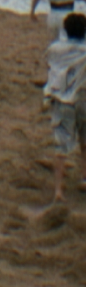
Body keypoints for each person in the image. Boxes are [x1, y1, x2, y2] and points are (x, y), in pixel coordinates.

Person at [43, 12, 86, 203]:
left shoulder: (55, 49)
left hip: (62, 100)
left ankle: (59, 190)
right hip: (83, 98)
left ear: (65, 30)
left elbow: (50, 68)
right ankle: (84, 177)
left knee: (61, 147)